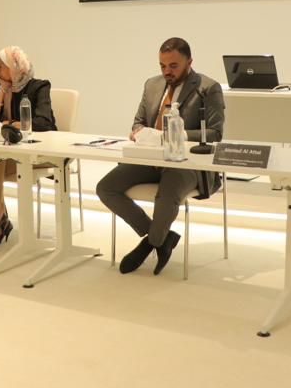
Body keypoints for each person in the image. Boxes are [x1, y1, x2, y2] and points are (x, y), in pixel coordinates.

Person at [96, 37, 224, 275]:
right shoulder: (152, 85)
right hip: (150, 158)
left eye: (173, 66)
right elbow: (138, 122)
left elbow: (215, 133)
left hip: (187, 164)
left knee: (166, 194)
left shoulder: (208, 88)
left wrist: (177, 134)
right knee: (106, 188)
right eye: (163, 66)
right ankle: (162, 238)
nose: (167, 71)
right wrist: (138, 132)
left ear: (189, 62)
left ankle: (151, 243)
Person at [0, 46, 57, 246]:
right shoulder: (2, 88)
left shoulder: (39, 87)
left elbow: (44, 123)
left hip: (39, 154)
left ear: (14, 68)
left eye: (0, 66)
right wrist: (1, 94)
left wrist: (10, 124)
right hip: (14, 155)